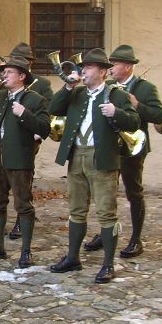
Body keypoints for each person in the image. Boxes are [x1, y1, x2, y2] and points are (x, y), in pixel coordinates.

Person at [48, 48, 140, 284]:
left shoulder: (115, 94)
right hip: (76, 154)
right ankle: (72, 258)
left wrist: (116, 112)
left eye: (88, 68)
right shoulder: (76, 93)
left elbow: (134, 122)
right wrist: (68, 86)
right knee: (76, 210)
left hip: (102, 158)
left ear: (102, 71)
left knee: (106, 212)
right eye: (83, 67)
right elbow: (54, 108)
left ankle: (108, 264)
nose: (83, 71)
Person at [83, 44, 162, 258]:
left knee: (133, 192)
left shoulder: (145, 88)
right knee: (106, 191)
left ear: (127, 66)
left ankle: (135, 239)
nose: (110, 68)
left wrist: (137, 105)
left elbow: (158, 116)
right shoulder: (108, 85)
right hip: (111, 146)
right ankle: (106, 233)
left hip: (132, 148)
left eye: (115, 64)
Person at [0, 56, 50, 267]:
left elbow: (45, 128)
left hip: (19, 157)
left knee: (23, 204)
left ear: (22, 76)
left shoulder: (35, 99)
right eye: (3, 72)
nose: (3, 75)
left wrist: (24, 114)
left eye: (9, 72)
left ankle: (26, 251)